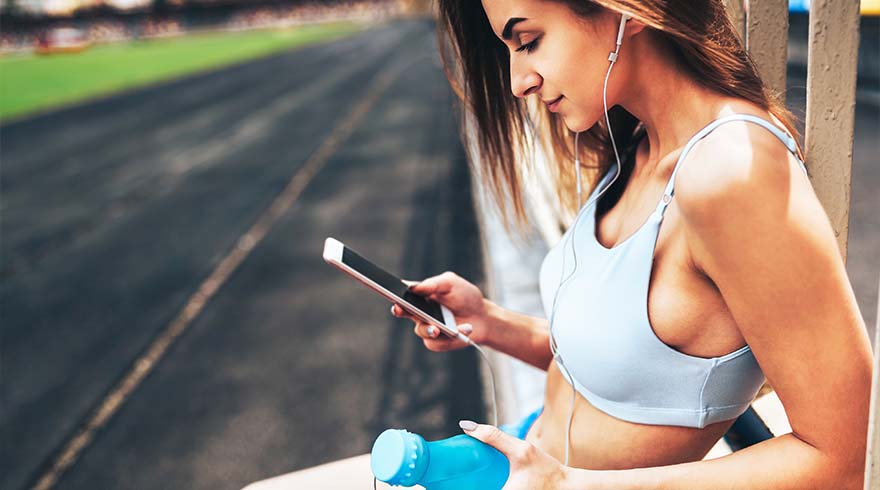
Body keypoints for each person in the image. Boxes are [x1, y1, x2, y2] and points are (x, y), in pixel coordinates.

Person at [245, 1, 873, 489]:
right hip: (515, 454)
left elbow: (835, 462)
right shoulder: (636, 144)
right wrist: (490, 323)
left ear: (626, 10)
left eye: (527, 41)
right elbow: (622, 371)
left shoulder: (732, 172)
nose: (518, 81)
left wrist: (571, 486)